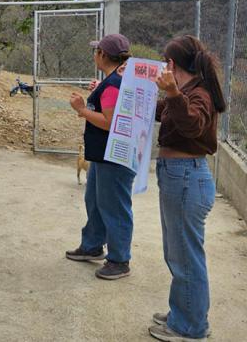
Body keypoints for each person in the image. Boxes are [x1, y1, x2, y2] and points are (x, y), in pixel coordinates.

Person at [148, 35, 225, 341]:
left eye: (166, 61)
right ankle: (183, 311)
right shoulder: (185, 92)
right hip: (178, 176)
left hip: (186, 178)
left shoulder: (199, 94)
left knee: (185, 256)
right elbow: (165, 114)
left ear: (173, 64)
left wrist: (171, 94)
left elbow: (192, 124)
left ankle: (191, 326)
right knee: (177, 253)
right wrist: (136, 92)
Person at [65, 33, 136, 281]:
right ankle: (92, 245)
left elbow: (110, 123)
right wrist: (97, 93)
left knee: (114, 207)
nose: (94, 54)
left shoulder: (115, 83)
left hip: (113, 158)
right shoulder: (114, 80)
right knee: (94, 200)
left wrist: (82, 110)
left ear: (103, 55)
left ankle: (119, 260)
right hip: (103, 156)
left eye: (96, 51)